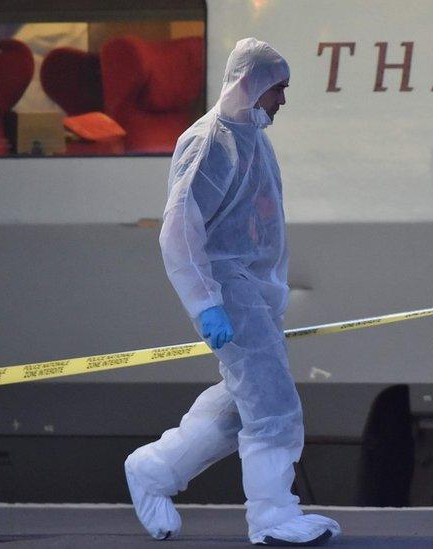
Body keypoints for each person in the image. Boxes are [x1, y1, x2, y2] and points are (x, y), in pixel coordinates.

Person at [124, 38, 341, 546]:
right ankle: (273, 518)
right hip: (228, 289)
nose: (282, 101)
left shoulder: (251, 138)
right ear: (252, 85)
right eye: (278, 90)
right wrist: (207, 304)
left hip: (252, 291)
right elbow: (179, 228)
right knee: (272, 405)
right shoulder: (211, 141)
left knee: (238, 407)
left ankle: (153, 470)